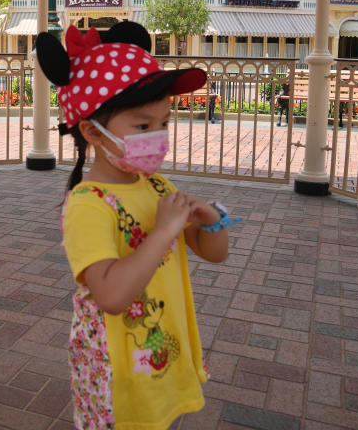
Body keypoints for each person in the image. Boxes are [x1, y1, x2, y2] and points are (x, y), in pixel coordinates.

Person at [35, 21, 237, 429]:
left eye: (164, 123)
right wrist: (163, 231)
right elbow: (110, 294)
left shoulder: (157, 186)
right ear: (93, 132)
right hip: (116, 367)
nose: (158, 137)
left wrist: (211, 220)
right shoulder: (87, 204)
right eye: (143, 127)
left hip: (160, 348)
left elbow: (214, 254)